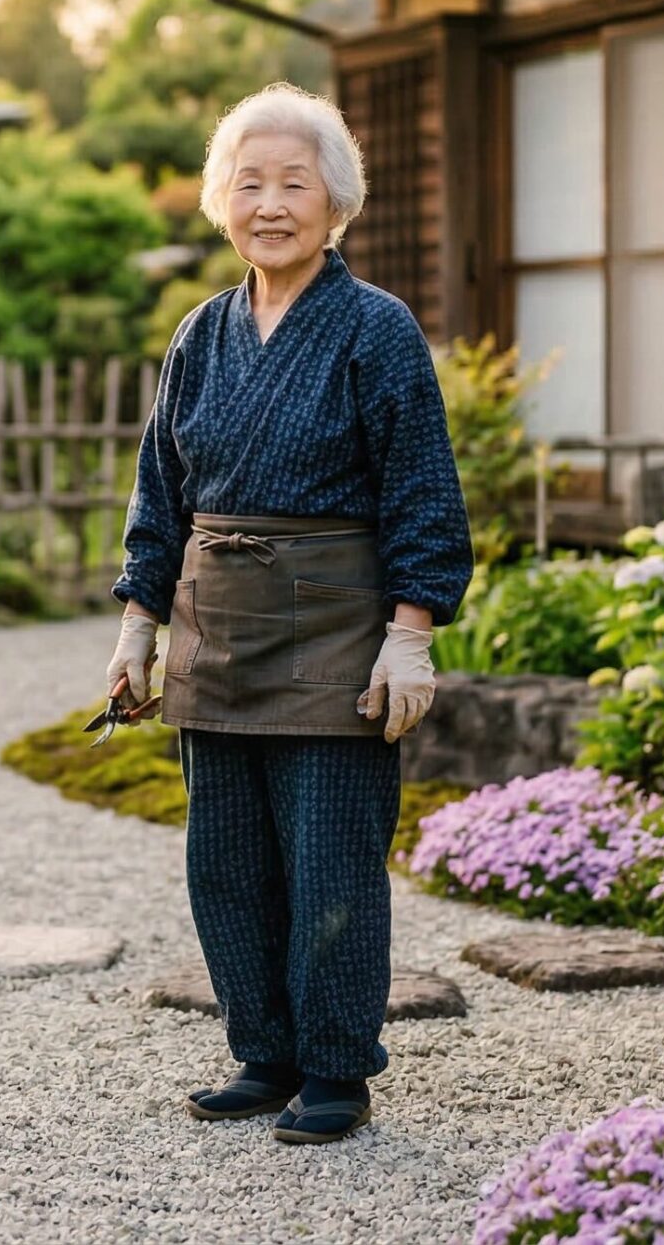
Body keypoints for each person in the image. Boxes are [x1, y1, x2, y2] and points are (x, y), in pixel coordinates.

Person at [107, 81, 472, 1146]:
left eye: (293, 182)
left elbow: (420, 489)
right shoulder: (200, 334)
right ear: (223, 202)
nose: (271, 203)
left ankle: (334, 1071)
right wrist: (138, 625)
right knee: (224, 858)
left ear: (336, 201)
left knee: (329, 856)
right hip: (215, 623)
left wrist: (411, 634)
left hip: (335, 623)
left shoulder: (375, 330)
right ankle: (260, 1053)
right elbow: (159, 490)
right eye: (249, 182)